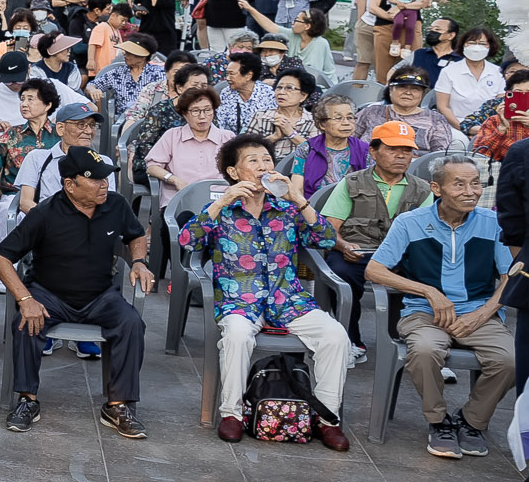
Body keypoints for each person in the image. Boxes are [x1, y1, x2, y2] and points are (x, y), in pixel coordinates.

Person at [177, 135, 351, 447]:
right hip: (239, 301)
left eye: (267, 160)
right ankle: (232, 413)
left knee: (336, 336)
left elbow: (325, 240)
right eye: (253, 161)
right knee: (237, 336)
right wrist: (221, 202)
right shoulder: (222, 210)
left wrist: (300, 199)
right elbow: (188, 242)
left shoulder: (286, 208)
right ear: (234, 172)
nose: (263, 167)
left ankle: (327, 419)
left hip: (289, 300)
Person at [0, 146, 152, 437]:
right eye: (95, 180)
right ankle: (27, 399)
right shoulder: (45, 213)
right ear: (70, 184)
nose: (104, 185)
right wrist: (25, 298)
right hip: (50, 294)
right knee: (26, 322)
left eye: (105, 179)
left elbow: (136, 234)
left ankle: (117, 405)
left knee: (131, 324)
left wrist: (139, 261)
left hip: (100, 294)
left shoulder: (115, 205)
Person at [370, 156, 514, 459]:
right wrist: (428, 291)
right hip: (424, 312)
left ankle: (471, 421)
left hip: (477, 311)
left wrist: (483, 312)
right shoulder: (410, 222)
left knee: (511, 359)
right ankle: (439, 421)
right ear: (437, 188)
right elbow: (375, 270)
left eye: (475, 183)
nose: (470, 191)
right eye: (458, 184)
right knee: (424, 350)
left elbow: (509, 276)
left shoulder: (494, 223)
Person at [315, 118, 422, 362]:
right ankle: (350, 340)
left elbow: (426, 235)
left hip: (402, 256)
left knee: (431, 270)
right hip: (358, 253)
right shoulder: (351, 183)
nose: (401, 156)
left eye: (406, 150)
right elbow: (329, 229)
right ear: (373, 151)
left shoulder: (422, 189)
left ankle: (414, 341)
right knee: (339, 271)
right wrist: (343, 245)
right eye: (392, 149)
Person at [144, 88, 230, 206]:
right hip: (180, 200)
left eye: (207, 110)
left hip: (220, 201)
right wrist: (174, 179)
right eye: (195, 111)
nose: (202, 116)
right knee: (189, 221)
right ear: (184, 114)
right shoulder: (172, 135)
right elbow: (152, 166)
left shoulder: (227, 137)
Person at [435, 26, 504, 129]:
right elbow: (442, 107)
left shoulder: (498, 72)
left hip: (491, 126)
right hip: (455, 125)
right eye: (471, 43)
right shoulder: (448, 71)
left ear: (490, 47)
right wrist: (463, 128)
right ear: (463, 45)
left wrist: (488, 129)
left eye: (482, 44)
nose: (476, 47)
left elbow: (501, 105)